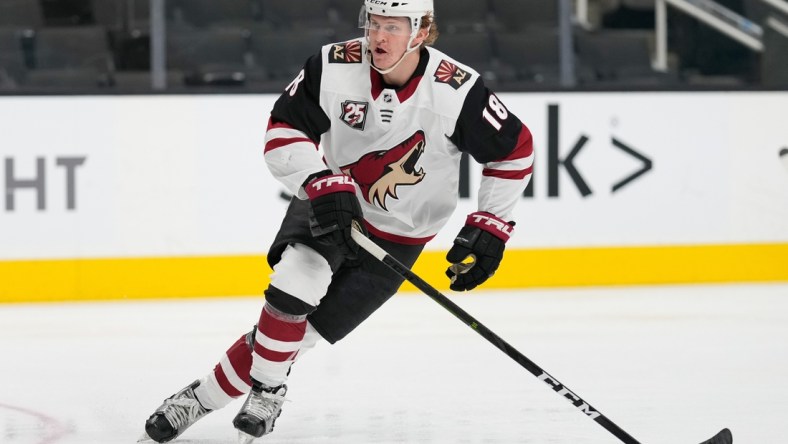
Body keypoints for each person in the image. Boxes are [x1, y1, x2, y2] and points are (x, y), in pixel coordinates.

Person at [140, 0, 534, 442]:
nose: (378, 37)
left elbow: (514, 151)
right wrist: (320, 178)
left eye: (393, 27)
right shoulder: (331, 66)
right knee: (295, 281)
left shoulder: (456, 90)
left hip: (402, 238)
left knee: (295, 337)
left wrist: (490, 225)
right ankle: (268, 389)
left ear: (421, 32)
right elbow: (283, 131)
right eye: (374, 23)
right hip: (334, 204)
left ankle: (198, 398)